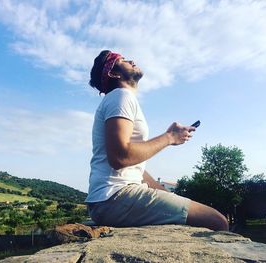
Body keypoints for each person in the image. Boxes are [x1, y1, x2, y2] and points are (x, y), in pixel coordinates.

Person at [85, 50, 228, 231]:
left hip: (108, 201)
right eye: (123, 60)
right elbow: (120, 157)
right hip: (115, 198)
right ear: (114, 73)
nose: (132, 60)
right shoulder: (121, 96)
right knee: (218, 222)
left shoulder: (118, 99)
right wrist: (169, 137)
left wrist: (167, 195)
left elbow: (133, 168)